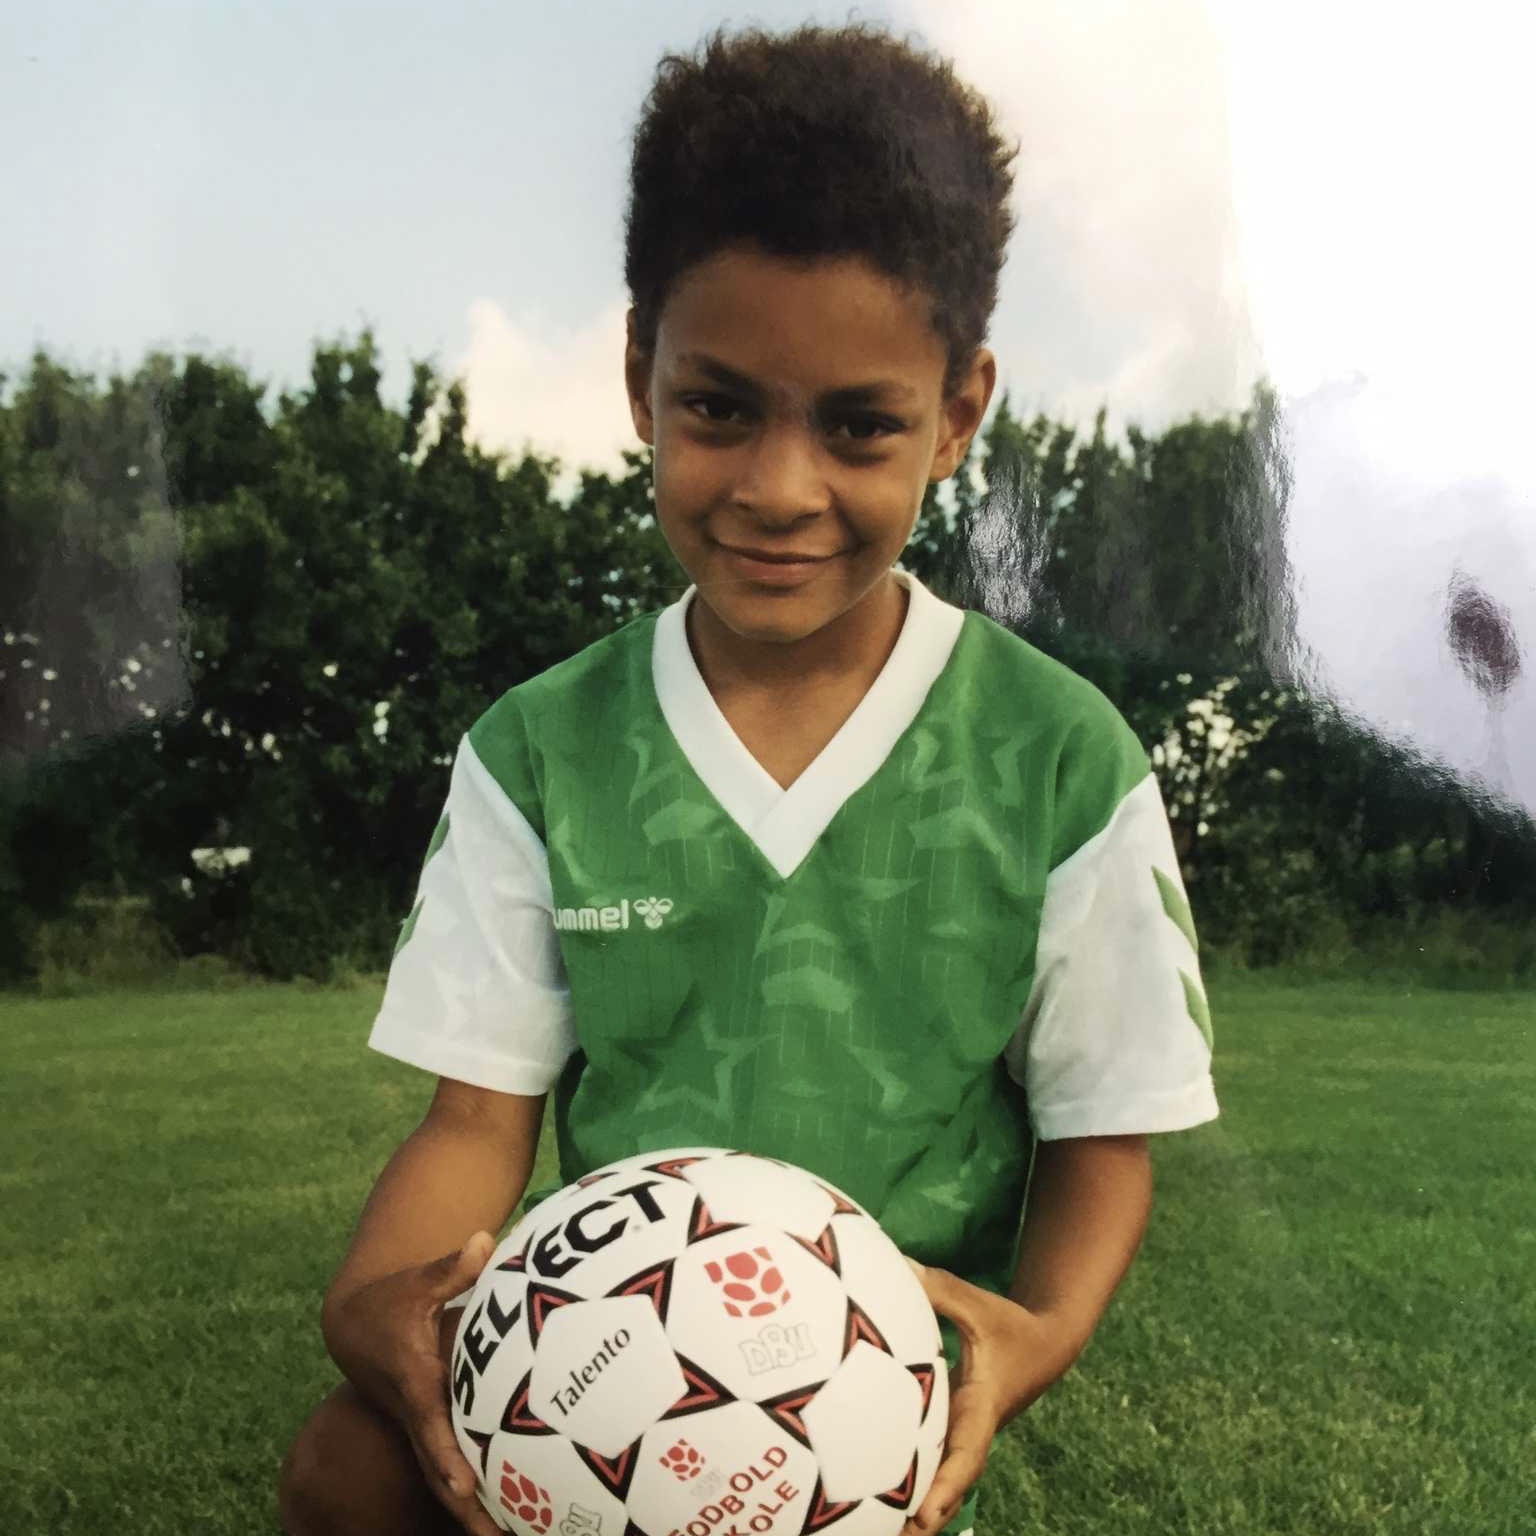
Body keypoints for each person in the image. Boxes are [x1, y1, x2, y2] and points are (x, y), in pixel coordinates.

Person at [278, 21, 1218, 1536]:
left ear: (957, 414)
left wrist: (1033, 1337)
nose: (781, 489)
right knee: (346, 1472)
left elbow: (1102, 1139)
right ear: (640, 377)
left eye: (858, 425)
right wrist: (370, 1304)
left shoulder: (1058, 756)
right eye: (720, 407)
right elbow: (474, 1122)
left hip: (867, 1412)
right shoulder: (542, 748)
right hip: (606, 1376)